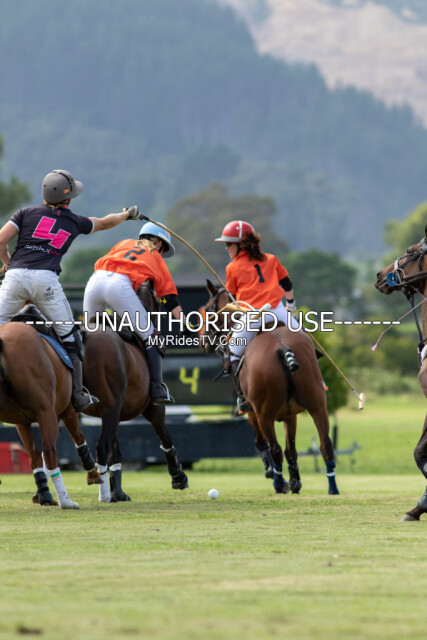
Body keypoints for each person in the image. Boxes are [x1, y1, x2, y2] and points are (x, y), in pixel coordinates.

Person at [0, 169, 140, 412]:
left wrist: (8, 263)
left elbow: (1, 240)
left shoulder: (24, 213)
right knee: (70, 336)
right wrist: (126, 215)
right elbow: (106, 222)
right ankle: (78, 393)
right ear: (68, 198)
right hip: (45, 281)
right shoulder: (75, 221)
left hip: (15, 277)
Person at [83, 221, 187, 405]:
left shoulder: (124, 243)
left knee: (87, 335)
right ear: (159, 243)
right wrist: (183, 322)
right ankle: (157, 389)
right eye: (163, 248)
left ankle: (77, 387)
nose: (162, 252)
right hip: (119, 286)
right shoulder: (155, 255)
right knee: (151, 336)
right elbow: (168, 296)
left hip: (94, 282)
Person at [215, 220, 298, 413]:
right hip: (278, 311)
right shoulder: (271, 259)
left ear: (241, 244)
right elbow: (287, 283)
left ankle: (242, 398)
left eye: (228, 243)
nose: (226, 248)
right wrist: (291, 305)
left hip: (252, 317)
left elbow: (233, 299)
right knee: (304, 340)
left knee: (232, 354)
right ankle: (319, 383)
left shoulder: (232, 268)